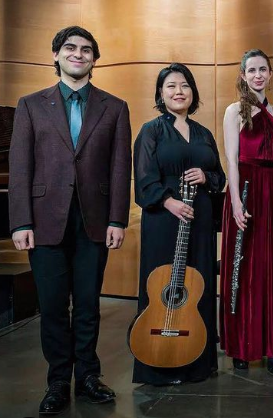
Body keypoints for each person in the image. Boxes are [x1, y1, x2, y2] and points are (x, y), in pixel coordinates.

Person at [9, 26, 131, 415]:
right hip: (43, 221)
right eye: (70, 48)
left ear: (95, 59)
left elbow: (119, 169)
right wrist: (19, 222)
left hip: (94, 221)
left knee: (90, 304)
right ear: (57, 56)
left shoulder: (115, 107)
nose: (78, 54)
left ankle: (89, 375)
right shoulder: (30, 105)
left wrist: (118, 219)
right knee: (53, 305)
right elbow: (20, 167)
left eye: (86, 50)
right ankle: (59, 380)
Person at [132, 63, 226, 386]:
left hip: (199, 222)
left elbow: (221, 178)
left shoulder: (204, 133)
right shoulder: (151, 131)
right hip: (163, 218)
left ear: (192, 92)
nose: (178, 92)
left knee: (198, 285)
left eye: (184, 86)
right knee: (161, 287)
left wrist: (206, 176)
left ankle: (197, 363)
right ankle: (157, 362)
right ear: (161, 94)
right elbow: (143, 180)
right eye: (170, 86)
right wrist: (170, 202)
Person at [218, 49, 273, 375]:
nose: (258, 75)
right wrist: (234, 202)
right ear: (243, 75)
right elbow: (231, 161)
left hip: (272, 192)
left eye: (263, 69)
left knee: (269, 268)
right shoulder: (234, 110)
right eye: (252, 70)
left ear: (270, 74)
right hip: (244, 190)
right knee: (242, 270)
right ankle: (243, 346)